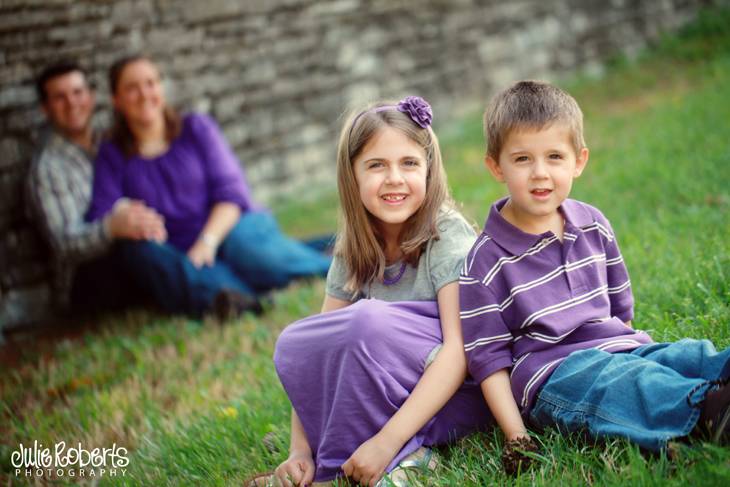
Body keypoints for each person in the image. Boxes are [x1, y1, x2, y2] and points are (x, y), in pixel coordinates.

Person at [459, 80, 730, 474]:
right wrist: (517, 435)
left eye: (554, 156)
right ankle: (710, 410)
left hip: (617, 346)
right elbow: (488, 361)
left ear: (579, 161)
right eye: (522, 159)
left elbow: (622, 315)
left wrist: (640, 356)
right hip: (554, 376)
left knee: (682, 356)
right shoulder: (484, 262)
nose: (540, 174)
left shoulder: (593, 224)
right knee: (617, 384)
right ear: (495, 166)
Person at [249, 96, 493, 487]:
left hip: (459, 394)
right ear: (353, 175)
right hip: (391, 391)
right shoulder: (354, 247)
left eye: (409, 163)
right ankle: (365, 464)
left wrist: (385, 441)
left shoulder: (447, 236)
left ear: (429, 170)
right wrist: (299, 450)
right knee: (298, 342)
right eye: (376, 165)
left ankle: (355, 467)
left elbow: (458, 353)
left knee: (367, 320)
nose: (394, 178)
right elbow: (320, 356)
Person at [85, 55, 332, 318]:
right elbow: (103, 211)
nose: (144, 94)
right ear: (116, 100)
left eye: (151, 83)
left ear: (161, 87)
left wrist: (207, 241)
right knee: (146, 255)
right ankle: (239, 298)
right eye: (132, 87)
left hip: (231, 226)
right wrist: (129, 215)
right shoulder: (111, 153)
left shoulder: (195, 128)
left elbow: (231, 193)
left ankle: (333, 266)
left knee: (247, 251)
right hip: (180, 252)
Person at [26, 61, 166, 315]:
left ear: (90, 97)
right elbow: (63, 244)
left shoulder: (114, 143)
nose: (72, 103)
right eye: (60, 98)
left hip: (137, 248)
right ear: (45, 109)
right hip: (88, 278)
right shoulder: (48, 167)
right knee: (144, 251)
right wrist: (111, 228)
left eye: (78, 93)